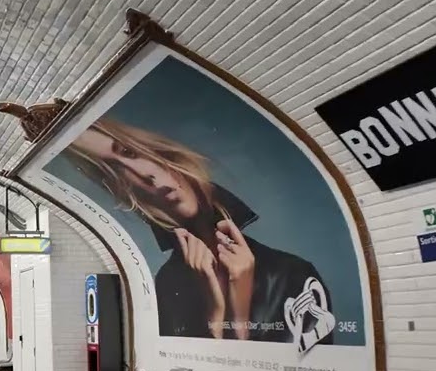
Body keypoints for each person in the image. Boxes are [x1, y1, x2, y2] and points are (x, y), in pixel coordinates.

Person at [63, 117, 333, 347]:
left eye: (128, 152)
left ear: (158, 151)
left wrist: (242, 292)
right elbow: (191, 370)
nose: (143, 175)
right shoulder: (168, 283)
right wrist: (218, 315)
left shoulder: (292, 274)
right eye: (118, 175)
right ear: (123, 193)